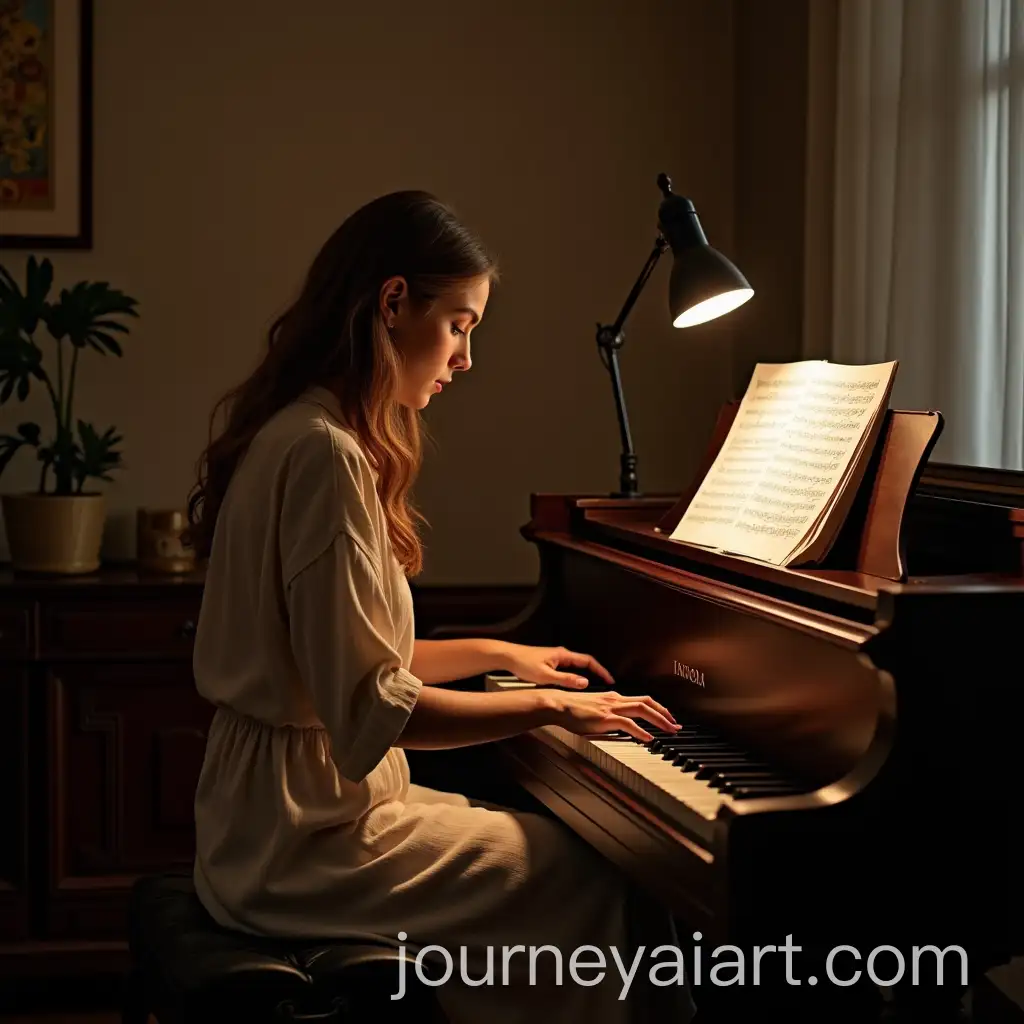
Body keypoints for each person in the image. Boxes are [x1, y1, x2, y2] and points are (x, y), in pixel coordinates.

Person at [186, 190, 695, 1023]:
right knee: (587, 873)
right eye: (460, 324)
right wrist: (550, 708)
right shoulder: (325, 458)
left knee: (563, 847)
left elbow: (350, 663)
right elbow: (370, 708)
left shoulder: (303, 431)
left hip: (276, 818)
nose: (464, 358)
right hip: (300, 842)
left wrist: (505, 657)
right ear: (393, 303)